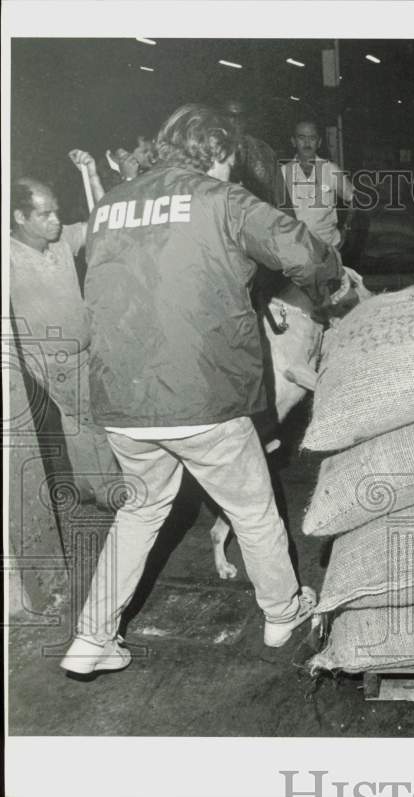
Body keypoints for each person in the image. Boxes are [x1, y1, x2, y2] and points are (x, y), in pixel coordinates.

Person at [60, 104, 342, 676]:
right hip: (202, 398)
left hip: (123, 400)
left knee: (139, 514)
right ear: (214, 149)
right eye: (230, 160)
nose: (232, 171)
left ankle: (91, 639)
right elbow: (307, 254)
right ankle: (282, 611)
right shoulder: (222, 201)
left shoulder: (113, 204)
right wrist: (328, 282)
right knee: (254, 509)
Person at [9, 161, 121, 508]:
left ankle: (86, 483)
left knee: (76, 421)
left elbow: (105, 222)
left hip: (79, 353)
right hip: (51, 358)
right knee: (93, 419)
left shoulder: (60, 241)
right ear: (20, 217)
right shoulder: (9, 257)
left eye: (56, 211)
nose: (56, 220)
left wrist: (91, 175)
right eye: (45, 214)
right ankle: (109, 492)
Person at [281, 119, 355, 251]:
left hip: (329, 248)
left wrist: (346, 229)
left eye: (312, 138)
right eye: (301, 138)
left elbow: (354, 199)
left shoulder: (331, 169)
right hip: (295, 251)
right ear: (293, 141)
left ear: (319, 142)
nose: (307, 143)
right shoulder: (282, 173)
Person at [222, 97, 283, 206]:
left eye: (242, 116)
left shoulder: (263, 151)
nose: (237, 121)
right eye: (231, 116)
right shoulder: (213, 151)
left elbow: (280, 196)